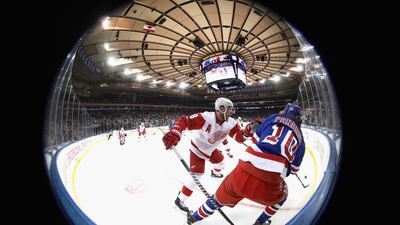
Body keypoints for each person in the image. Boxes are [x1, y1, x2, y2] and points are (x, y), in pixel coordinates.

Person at [186, 103, 305, 225]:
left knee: (217, 198)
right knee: (283, 196)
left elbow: (254, 140)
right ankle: (260, 222)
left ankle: (194, 217)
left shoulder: (273, 117)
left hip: (246, 166)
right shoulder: (300, 136)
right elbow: (295, 169)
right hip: (271, 178)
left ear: (284, 111)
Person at [162, 97, 251, 213]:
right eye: (229, 108)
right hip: (197, 150)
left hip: (210, 149)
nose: (231, 111)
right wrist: (176, 132)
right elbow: (185, 121)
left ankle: (215, 172)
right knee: (196, 177)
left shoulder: (231, 123)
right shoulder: (206, 118)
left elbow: (239, 137)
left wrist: (249, 132)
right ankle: (180, 200)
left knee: (222, 161)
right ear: (221, 108)